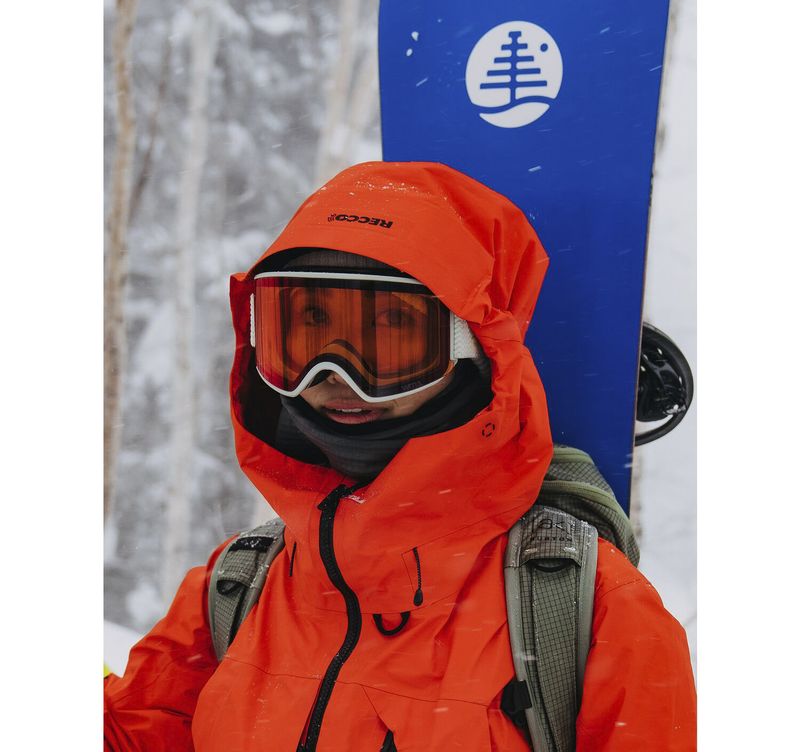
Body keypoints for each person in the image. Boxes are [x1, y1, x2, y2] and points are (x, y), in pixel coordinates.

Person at [104, 161, 696, 751]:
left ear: (473, 348)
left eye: (391, 330)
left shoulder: (591, 612)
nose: (337, 373)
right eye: (308, 325)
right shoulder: (237, 587)